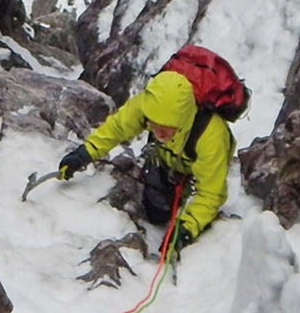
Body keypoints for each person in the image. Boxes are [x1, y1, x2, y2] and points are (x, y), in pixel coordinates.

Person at [55, 69, 231, 256]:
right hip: (166, 157)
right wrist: (84, 153)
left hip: (198, 161)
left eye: (166, 128)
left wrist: (185, 230)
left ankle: (184, 185)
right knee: (157, 212)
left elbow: (211, 194)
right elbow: (117, 128)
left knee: (191, 203)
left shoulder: (212, 137)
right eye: (154, 125)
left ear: (183, 120)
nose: (159, 133)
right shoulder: (146, 106)